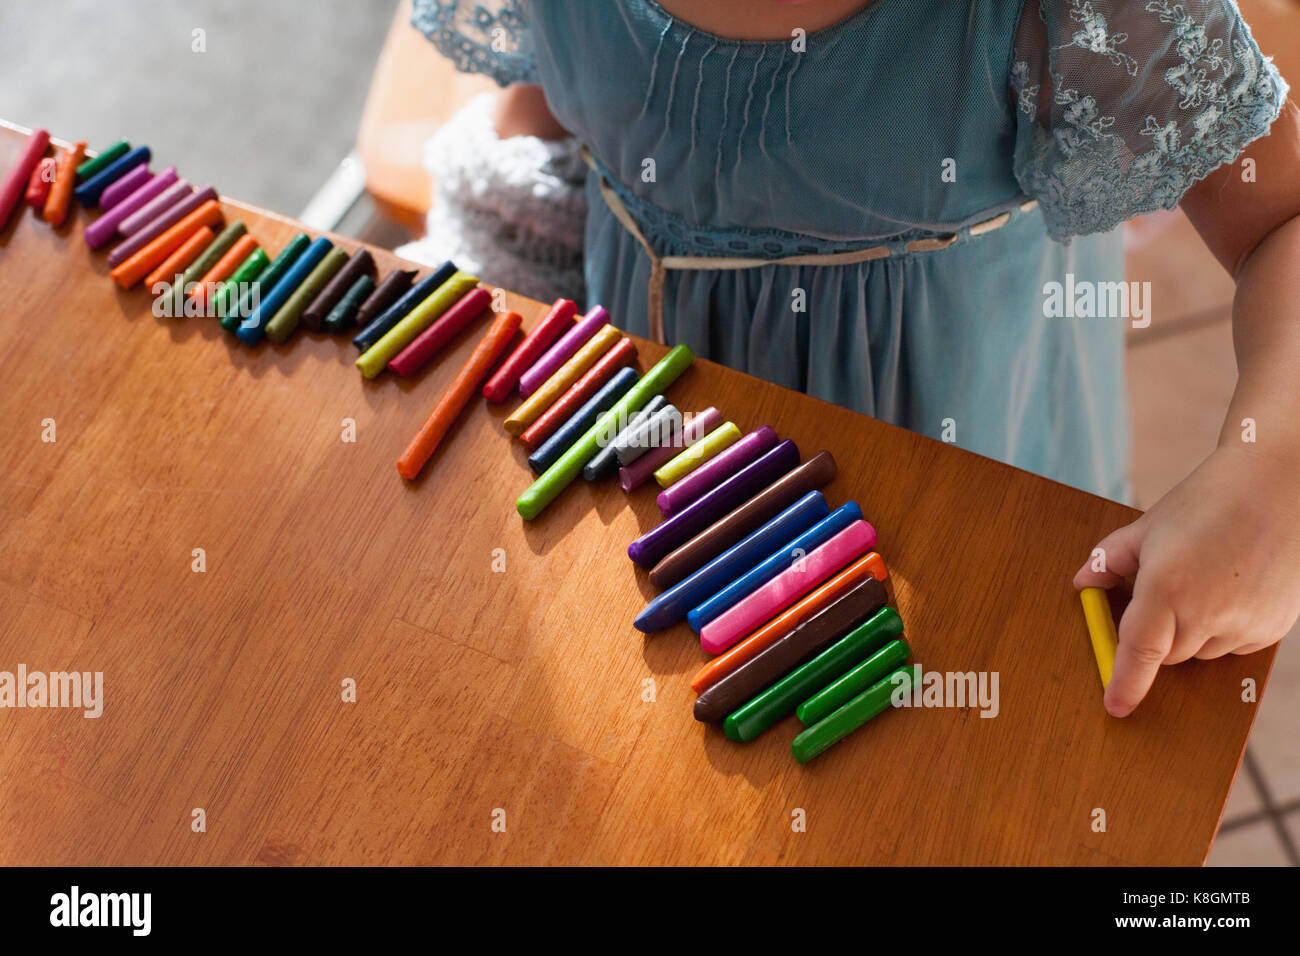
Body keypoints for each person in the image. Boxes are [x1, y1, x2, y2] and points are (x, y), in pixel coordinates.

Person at [409, 0, 1299, 716]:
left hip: (967, 484)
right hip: (661, 473)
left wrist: (1272, 484)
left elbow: (1282, 224)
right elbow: (550, 87)